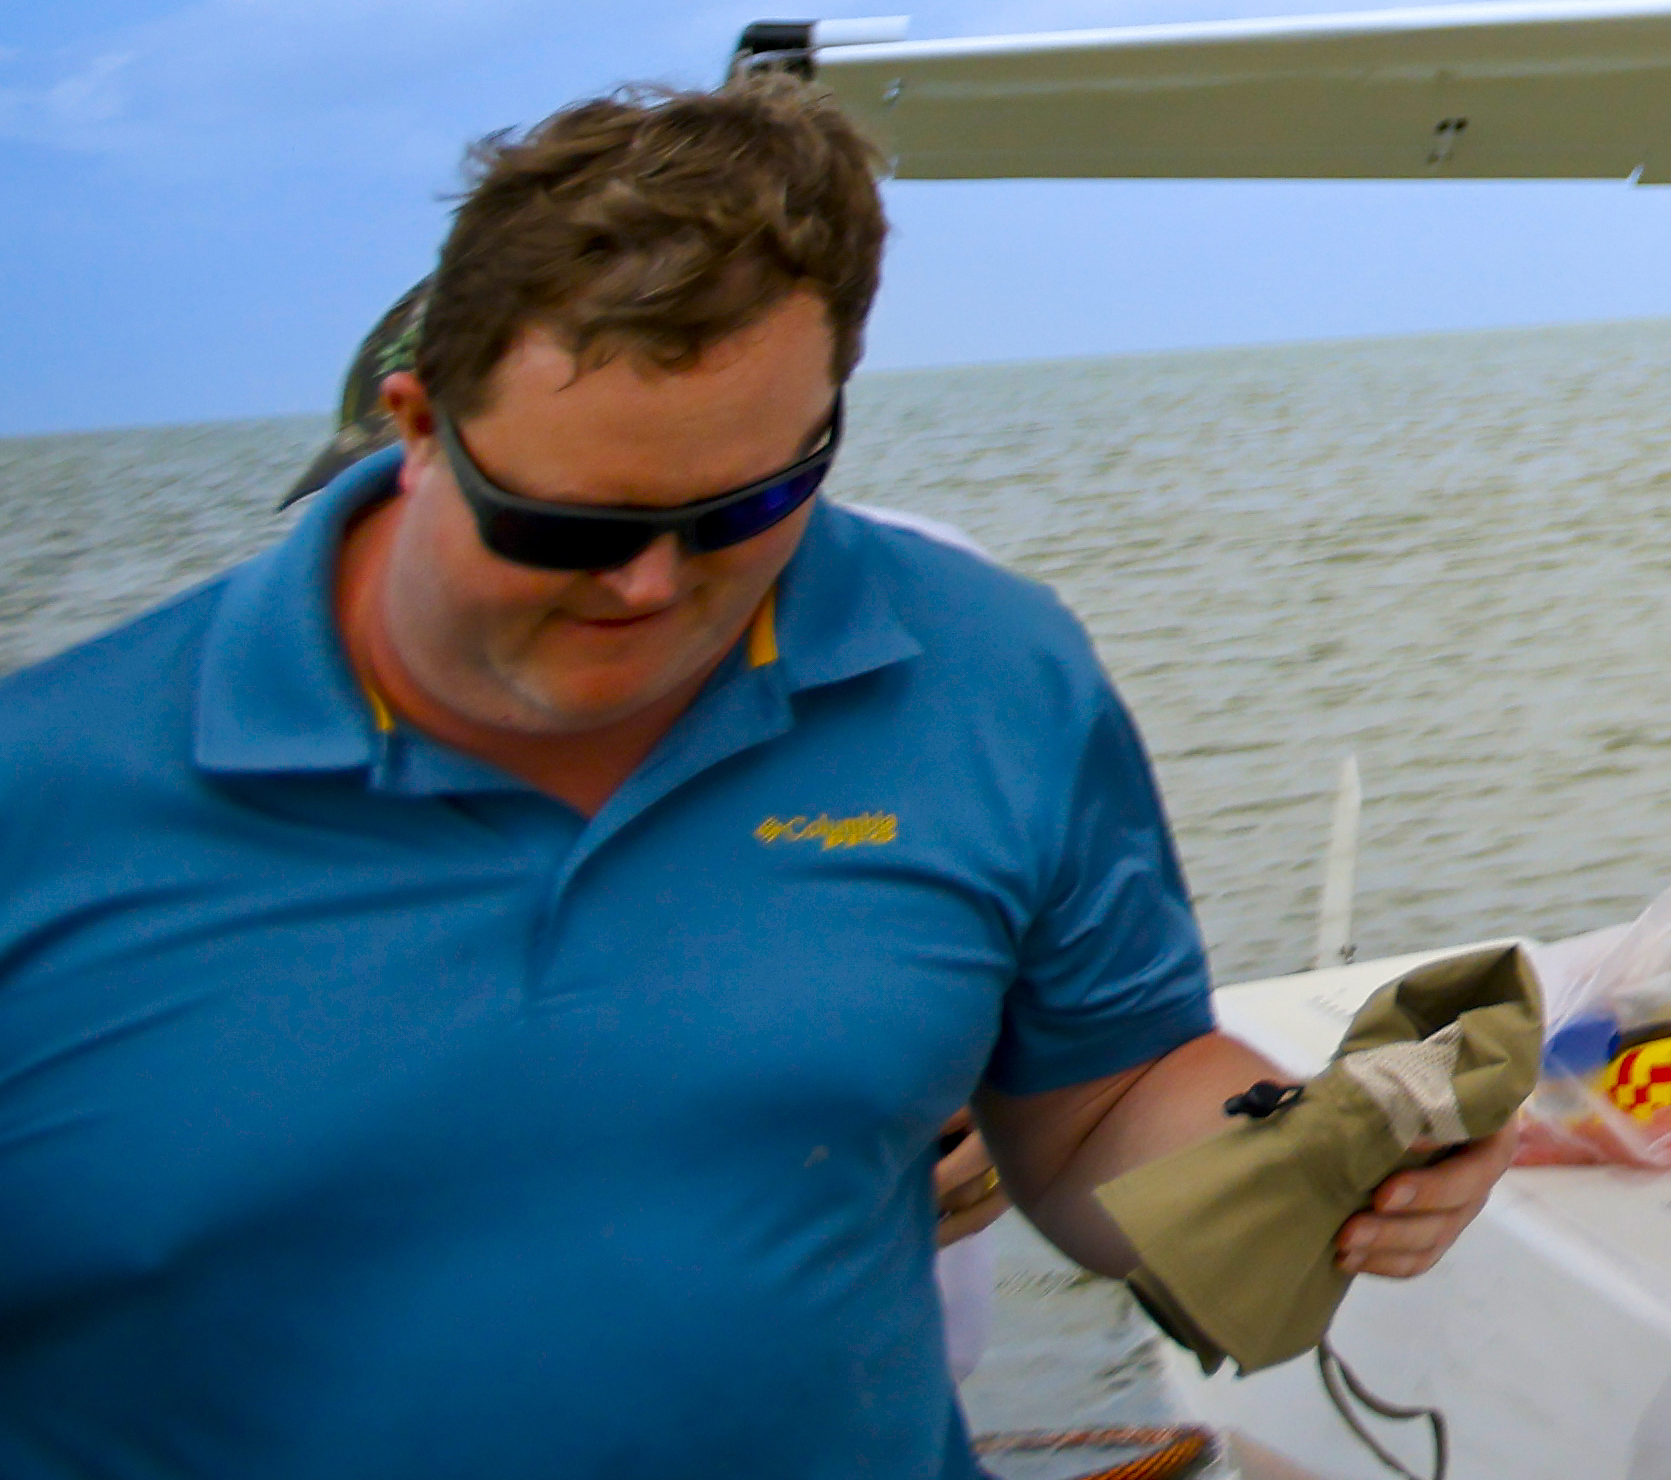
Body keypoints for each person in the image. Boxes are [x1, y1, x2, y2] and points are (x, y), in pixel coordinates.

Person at [0, 78, 1499, 1475]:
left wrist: (1321, 1149)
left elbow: (1098, 1104)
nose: (649, 586)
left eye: (747, 504)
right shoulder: (49, 788)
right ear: (412, 430)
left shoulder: (984, 667)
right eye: (572, 522)